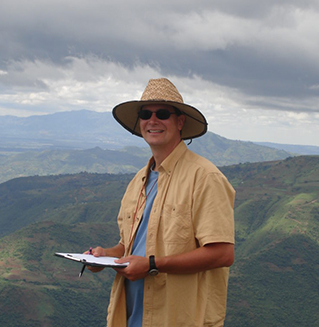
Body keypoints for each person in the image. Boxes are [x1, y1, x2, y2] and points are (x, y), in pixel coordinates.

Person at [89, 78, 235, 327]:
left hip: (178, 319)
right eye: (146, 113)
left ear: (180, 122)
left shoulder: (205, 178)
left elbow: (223, 253)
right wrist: (104, 257)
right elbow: (129, 246)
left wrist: (152, 266)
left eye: (163, 113)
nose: (152, 120)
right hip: (130, 317)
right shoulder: (138, 182)